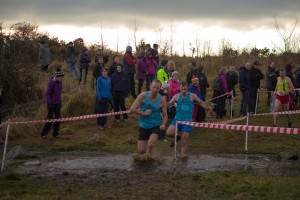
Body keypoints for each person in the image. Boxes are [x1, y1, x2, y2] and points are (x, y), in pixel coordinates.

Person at [166, 82, 210, 154]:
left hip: (187, 121)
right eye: (182, 89)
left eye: (185, 89)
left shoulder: (192, 96)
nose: (183, 91)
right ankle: (177, 137)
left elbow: (200, 102)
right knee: (168, 133)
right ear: (180, 89)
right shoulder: (176, 96)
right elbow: (169, 104)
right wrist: (164, 102)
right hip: (177, 119)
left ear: (187, 88)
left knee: (184, 141)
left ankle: (183, 157)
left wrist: (205, 107)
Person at [130, 79, 168, 156]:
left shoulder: (162, 99)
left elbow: (165, 115)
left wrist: (163, 124)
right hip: (144, 125)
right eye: (154, 87)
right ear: (150, 86)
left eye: (157, 88)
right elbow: (132, 109)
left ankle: (150, 161)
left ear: (160, 88)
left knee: (150, 145)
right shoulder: (143, 95)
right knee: (140, 151)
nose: (155, 90)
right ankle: (147, 160)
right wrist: (143, 113)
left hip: (156, 125)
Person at [41, 69, 65, 139]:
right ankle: (43, 134)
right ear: (57, 76)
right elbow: (47, 94)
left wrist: (59, 101)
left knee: (58, 119)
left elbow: (59, 93)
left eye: (62, 77)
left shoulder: (60, 83)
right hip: (51, 104)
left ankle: (55, 134)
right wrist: (50, 102)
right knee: (50, 119)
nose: (61, 78)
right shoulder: (51, 83)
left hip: (58, 103)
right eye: (60, 77)